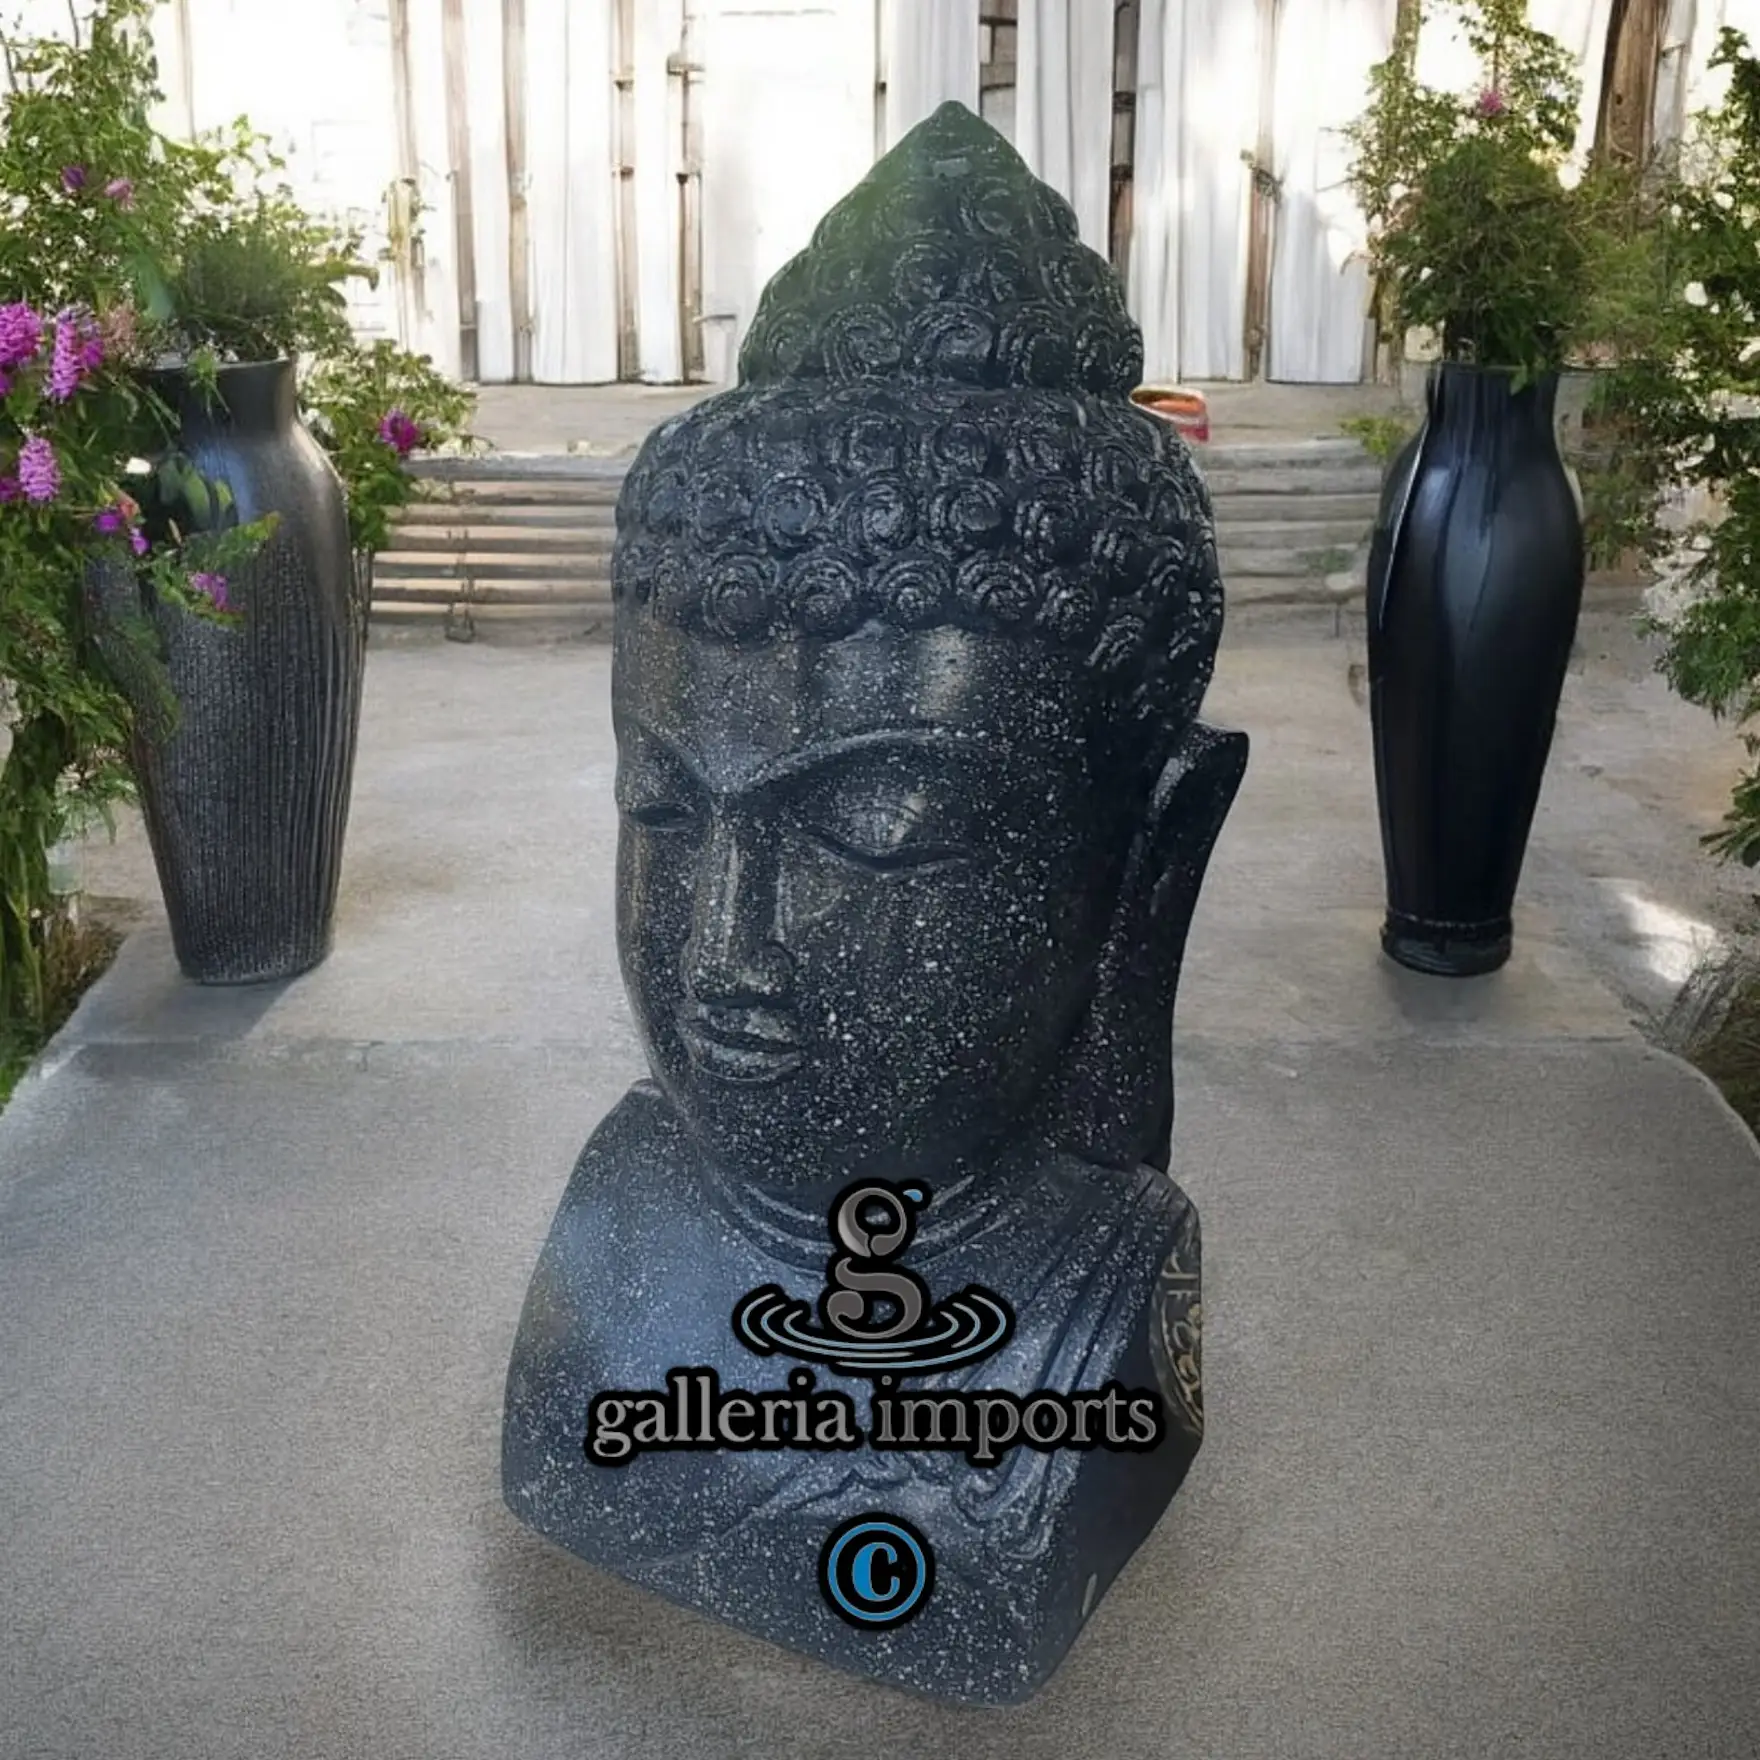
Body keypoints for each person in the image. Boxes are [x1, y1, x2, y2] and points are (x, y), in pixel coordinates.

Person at [502, 101, 1246, 1706]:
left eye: (876, 830)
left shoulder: (1094, 1316)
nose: (725, 953)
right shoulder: (615, 1220)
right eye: (662, 807)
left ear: (1147, 860)